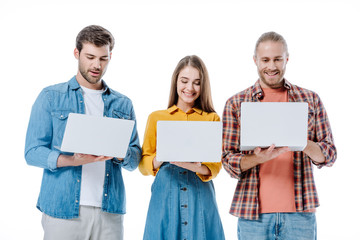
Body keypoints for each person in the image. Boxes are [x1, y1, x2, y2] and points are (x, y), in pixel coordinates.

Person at [24, 25, 141, 240]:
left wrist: (118, 151)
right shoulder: (51, 97)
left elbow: (134, 160)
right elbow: (32, 152)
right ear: (76, 53)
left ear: (110, 57)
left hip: (109, 211)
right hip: (62, 210)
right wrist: (71, 160)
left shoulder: (123, 104)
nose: (97, 65)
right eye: (90, 57)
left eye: (103, 59)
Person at [222, 32, 337, 240]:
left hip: (300, 215)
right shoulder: (236, 103)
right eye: (265, 60)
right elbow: (228, 161)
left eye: (277, 59)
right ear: (255, 60)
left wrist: (302, 143)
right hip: (253, 216)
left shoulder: (310, 99)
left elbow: (329, 155)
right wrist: (258, 158)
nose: (272, 66)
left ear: (287, 59)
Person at [139, 55, 225, 240]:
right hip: (165, 197)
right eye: (184, 81)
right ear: (175, 81)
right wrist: (161, 156)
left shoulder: (212, 119)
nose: (189, 88)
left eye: (196, 82)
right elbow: (144, 165)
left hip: (200, 196)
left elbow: (215, 167)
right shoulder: (157, 117)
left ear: (203, 86)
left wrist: (192, 165)